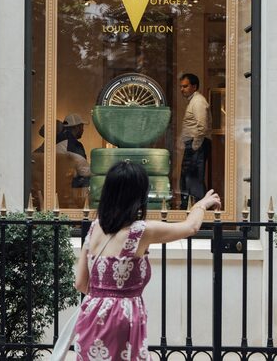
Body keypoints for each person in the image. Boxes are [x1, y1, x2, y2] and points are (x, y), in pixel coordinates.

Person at [70, 161, 220, 360]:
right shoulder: (140, 231)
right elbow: (190, 227)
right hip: (121, 320)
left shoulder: (95, 227)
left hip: (90, 317)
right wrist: (202, 204)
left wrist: (105, 295)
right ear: (139, 196)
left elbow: (80, 283)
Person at [178, 72, 212, 207]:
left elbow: (202, 127)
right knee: (188, 179)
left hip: (197, 144)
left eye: (185, 86)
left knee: (194, 179)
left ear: (194, 86)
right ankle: (191, 210)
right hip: (194, 144)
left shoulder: (198, 101)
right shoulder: (194, 101)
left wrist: (195, 146)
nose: (182, 89)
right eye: (181, 86)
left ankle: (199, 212)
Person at [62, 113, 90, 189]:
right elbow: (84, 171)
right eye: (82, 127)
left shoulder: (56, 140)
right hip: (71, 186)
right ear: (76, 127)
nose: (83, 130)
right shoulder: (74, 144)